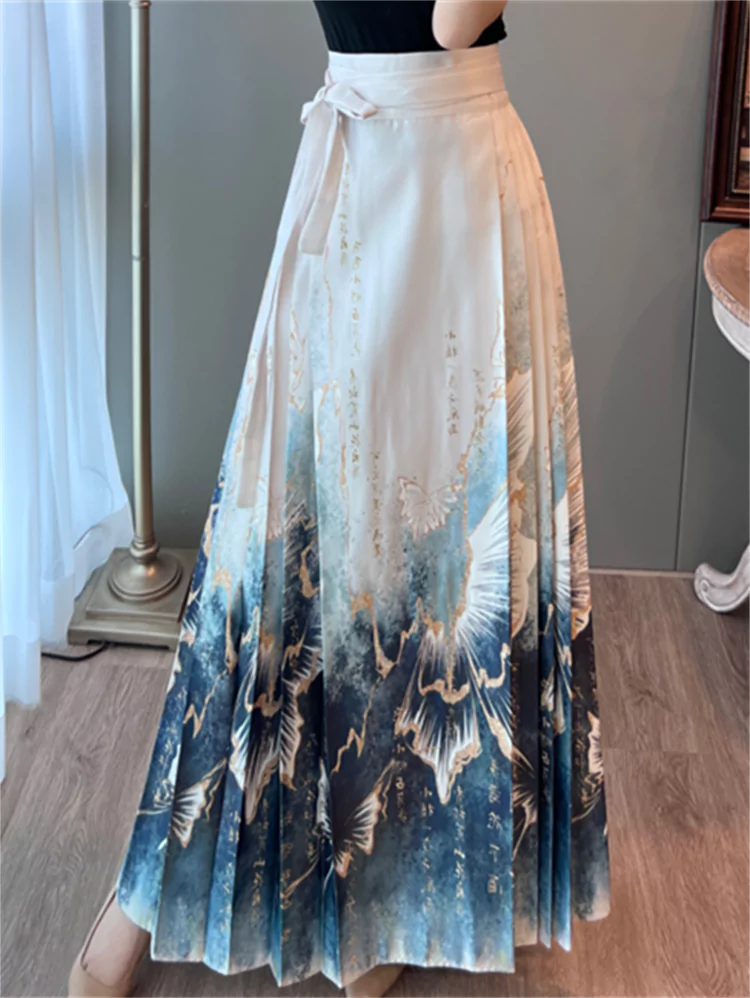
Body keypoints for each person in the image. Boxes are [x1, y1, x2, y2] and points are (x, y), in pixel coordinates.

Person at [69, 2, 611, 997]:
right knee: (327, 556)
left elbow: (444, 23)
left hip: (430, 182)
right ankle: (176, 892)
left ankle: (365, 895)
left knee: (409, 566)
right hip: (391, 175)